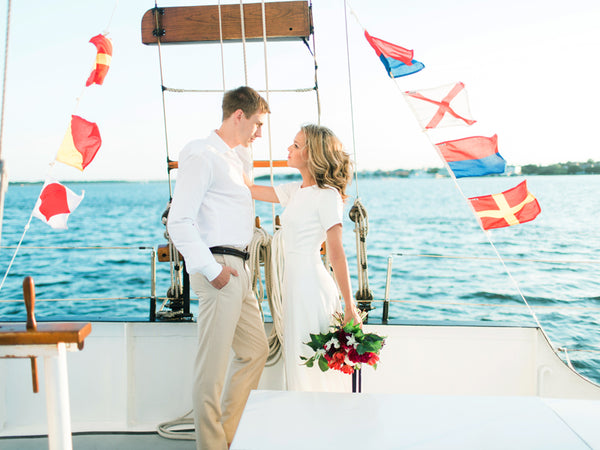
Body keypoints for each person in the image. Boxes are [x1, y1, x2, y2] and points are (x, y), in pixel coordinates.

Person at [167, 86, 270, 450]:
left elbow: (244, 175)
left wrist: (245, 148)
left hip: (240, 269)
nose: (260, 132)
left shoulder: (232, 157)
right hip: (219, 268)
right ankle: (213, 446)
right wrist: (213, 271)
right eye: (257, 123)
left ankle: (226, 436)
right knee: (210, 372)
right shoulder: (202, 154)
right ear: (238, 116)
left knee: (257, 350)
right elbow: (178, 222)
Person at [246, 124, 361, 392]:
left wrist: (349, 305)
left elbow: (336, 253)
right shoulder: (295, 191)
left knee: (312, 363)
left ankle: (325, 424)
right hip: (294, 286)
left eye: (296, 146)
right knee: (298, 360)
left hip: (312, 287)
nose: (289, 149)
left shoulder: (327, 196)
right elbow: (249, 188)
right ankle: (305, 423)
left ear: (312, 155)